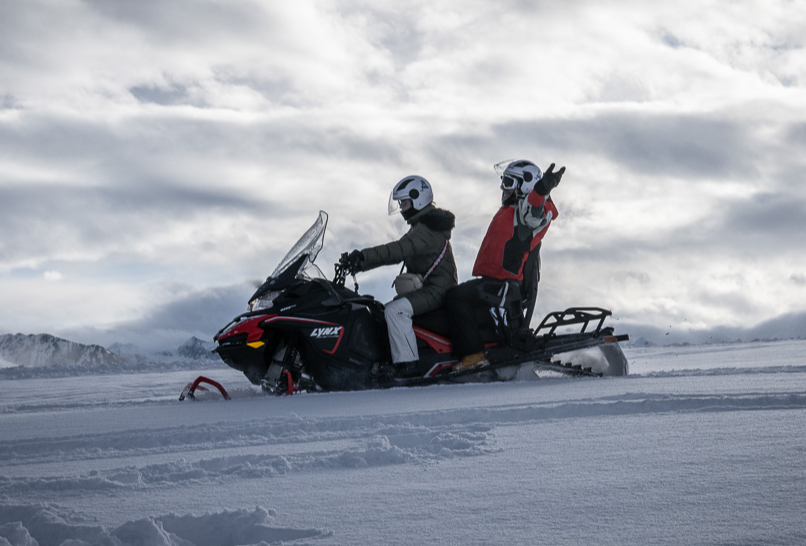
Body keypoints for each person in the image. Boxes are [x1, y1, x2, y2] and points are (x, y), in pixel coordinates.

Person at [446, 159, 564, 372]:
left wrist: (540, 190)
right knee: (459, 298)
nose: (503, 187)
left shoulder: (529, 212)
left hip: (505, 284)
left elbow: (533, 213)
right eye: (503, 181)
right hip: (495, 279)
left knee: (456, 297)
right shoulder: (512, 210)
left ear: (524, 186)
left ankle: (474, 355)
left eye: (508, 182)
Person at [346, 176, 458, 377]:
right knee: (383, 310)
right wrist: (359, 264)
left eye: (405, 203)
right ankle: (386, 360)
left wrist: (362, 257)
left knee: (395, 311)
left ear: (418, 200)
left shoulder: (428, 230)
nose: (402, 208)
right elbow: (397, 252)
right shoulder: (422, 225)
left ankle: (408, 365)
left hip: (438, 289)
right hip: (430, 286)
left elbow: (397, 250)